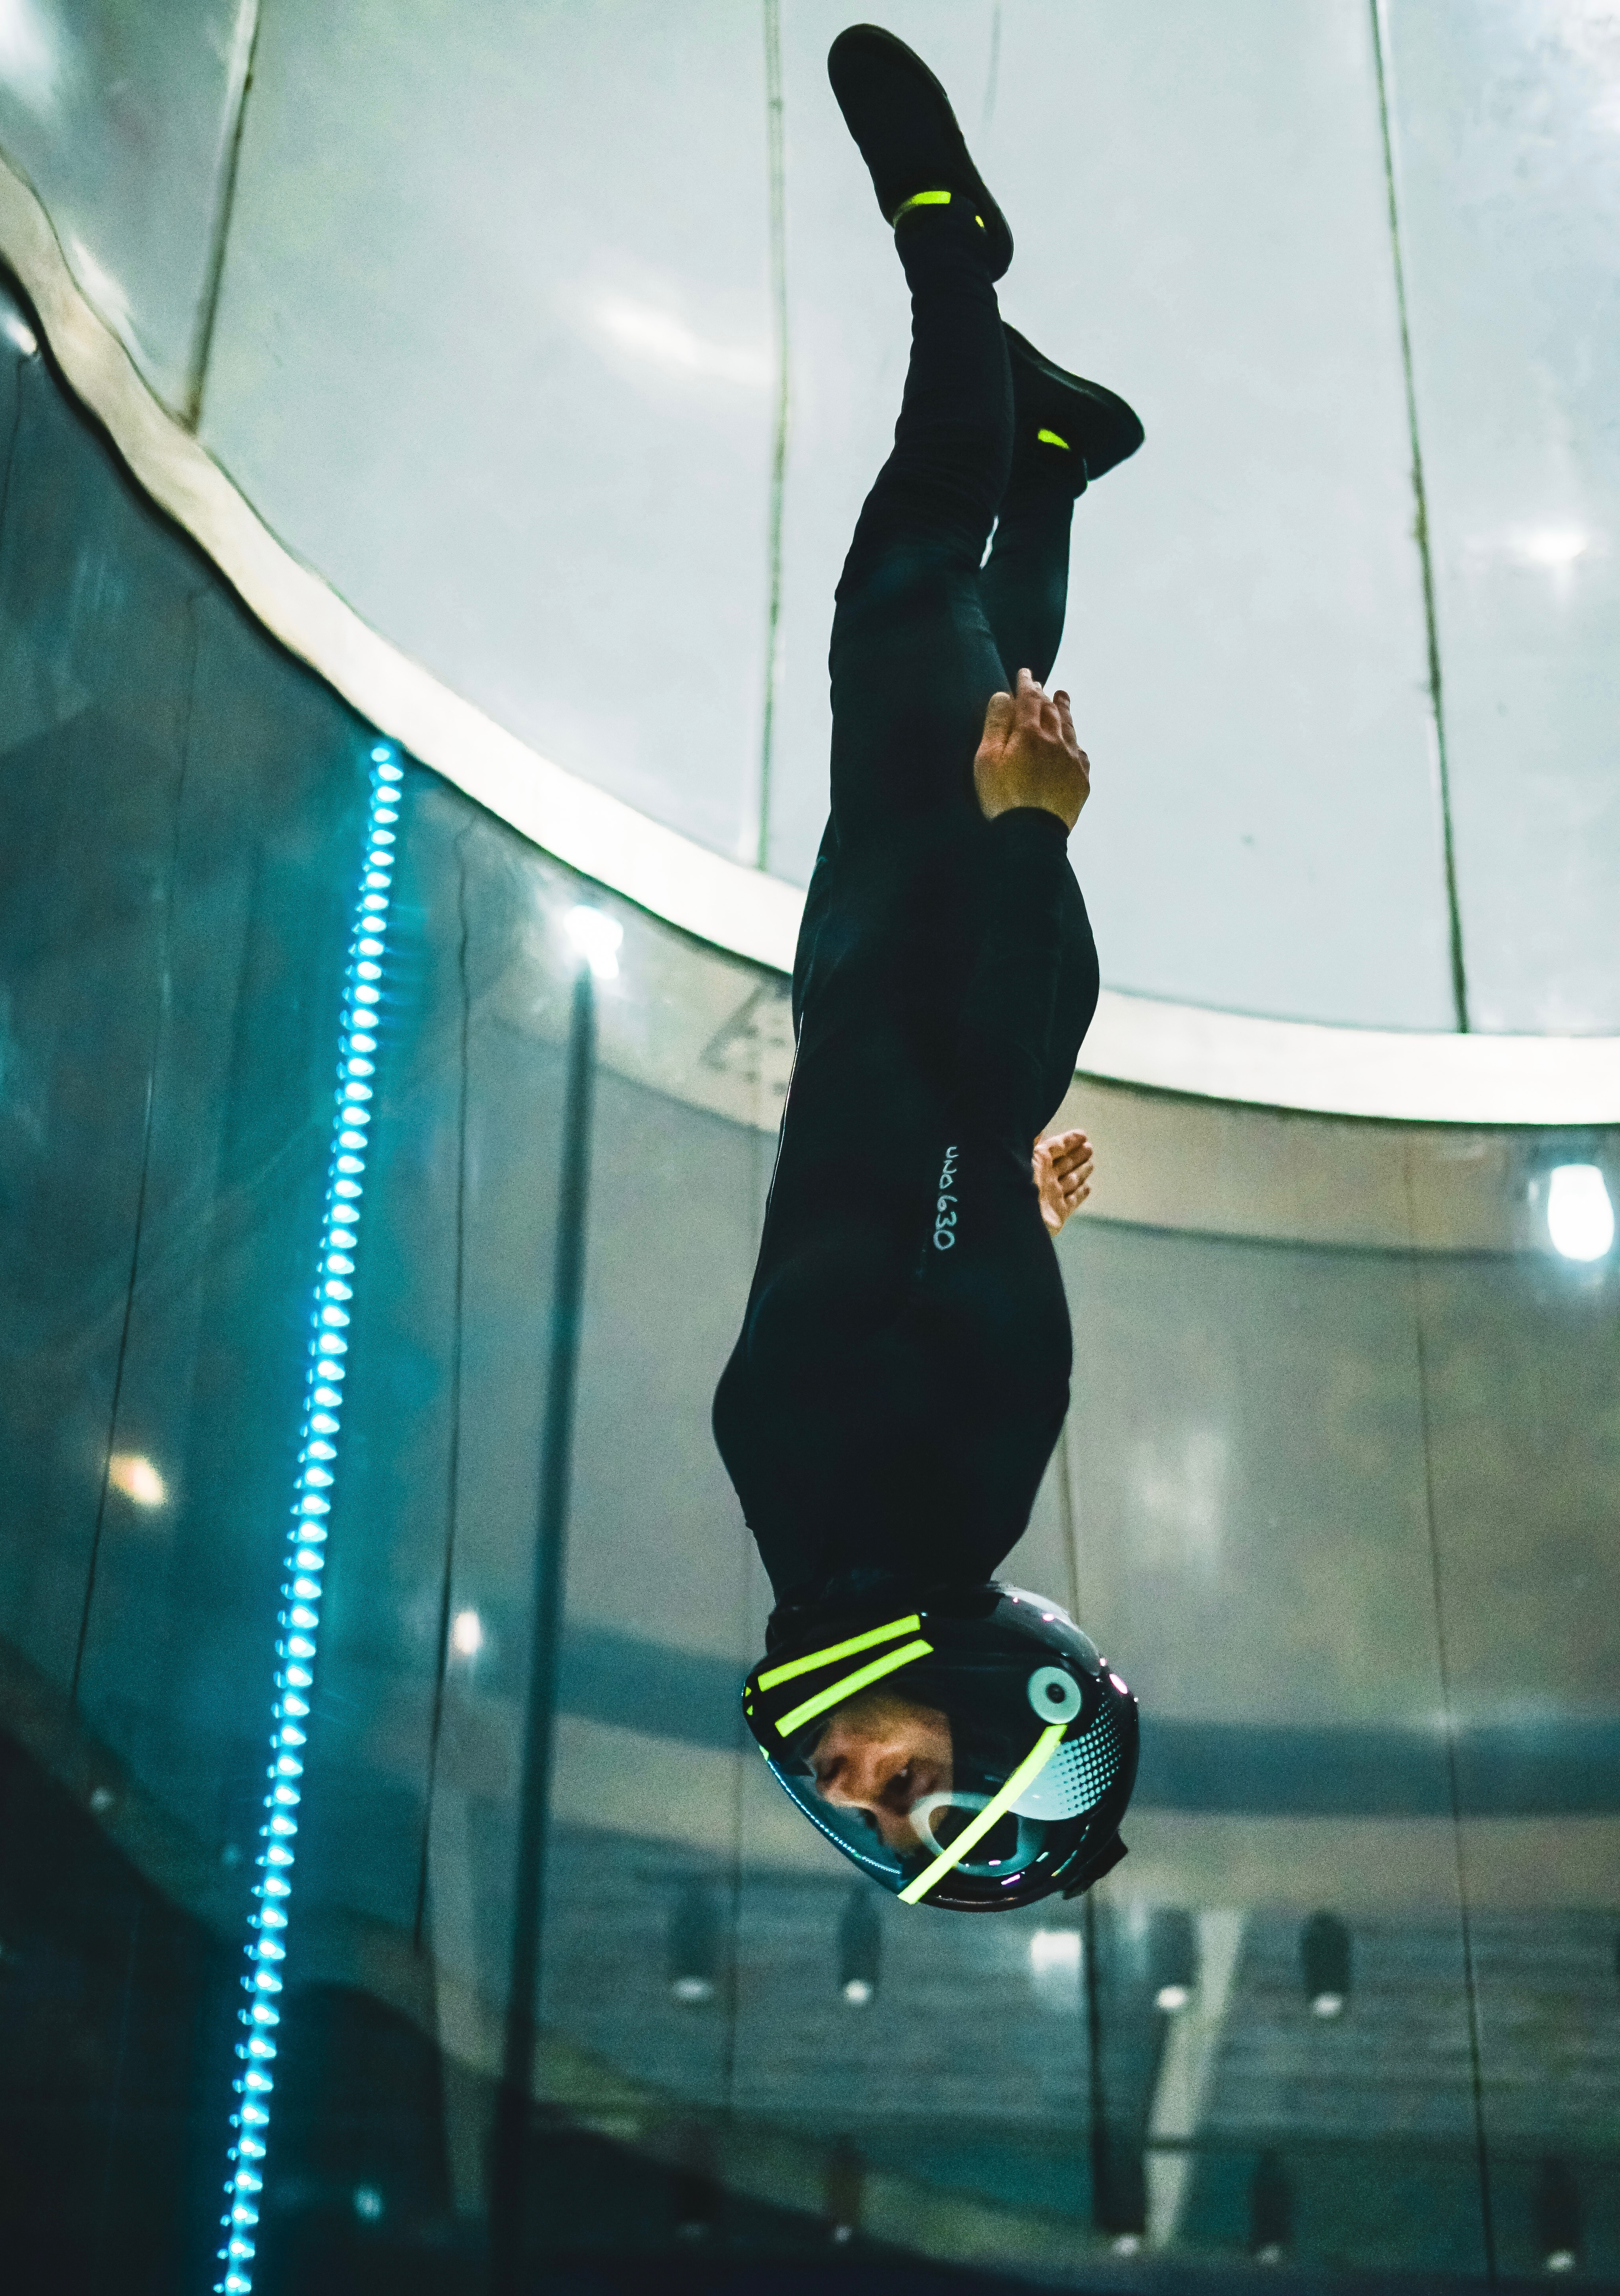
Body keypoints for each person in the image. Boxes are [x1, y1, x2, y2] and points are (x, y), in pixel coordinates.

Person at [715, 25, 1142, 1909]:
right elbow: (978, 1101)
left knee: (942, 597)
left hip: (875, 956)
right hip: (926, 929)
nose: (873, 1788)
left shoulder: (850, 1540)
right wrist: (1024, 833)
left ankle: (1048, 457)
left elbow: (935, 1213)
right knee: (899, 568)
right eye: (929, 1790)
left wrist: (999, 1223)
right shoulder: (920, 1519)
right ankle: (949, 244)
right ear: (990, 1698)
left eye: (871, 1818)